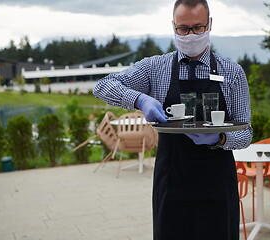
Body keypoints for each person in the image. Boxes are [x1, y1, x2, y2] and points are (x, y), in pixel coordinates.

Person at [93, 0, 253, 239]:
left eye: (198, 28)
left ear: (210, 25)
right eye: (183, 29)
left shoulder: (232, 72)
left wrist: (220, 137)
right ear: (173, 26)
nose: (190, 35)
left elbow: (246, 133)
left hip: (217, 182)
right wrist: (140, 100)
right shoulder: (155, 68)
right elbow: (102, 86)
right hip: (172, 180)